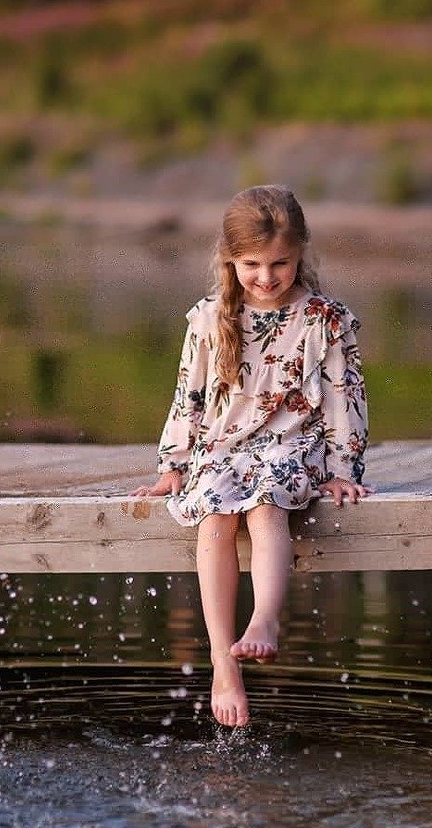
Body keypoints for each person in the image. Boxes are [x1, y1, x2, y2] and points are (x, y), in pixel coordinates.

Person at [133, 185, 371, 728]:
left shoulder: (324, 320)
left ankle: (265, 618)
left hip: (293, 443)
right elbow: (189, 395)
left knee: (266, 505)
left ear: (300, 254)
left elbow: (345, 397)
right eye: (252, 265)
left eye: (279, 263)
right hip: (224, 446)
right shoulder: (210, 317)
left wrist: (343, 470)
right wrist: (173, 465)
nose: (266, 277)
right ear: (230, 259)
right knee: (215, 516)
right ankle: (223, 661)